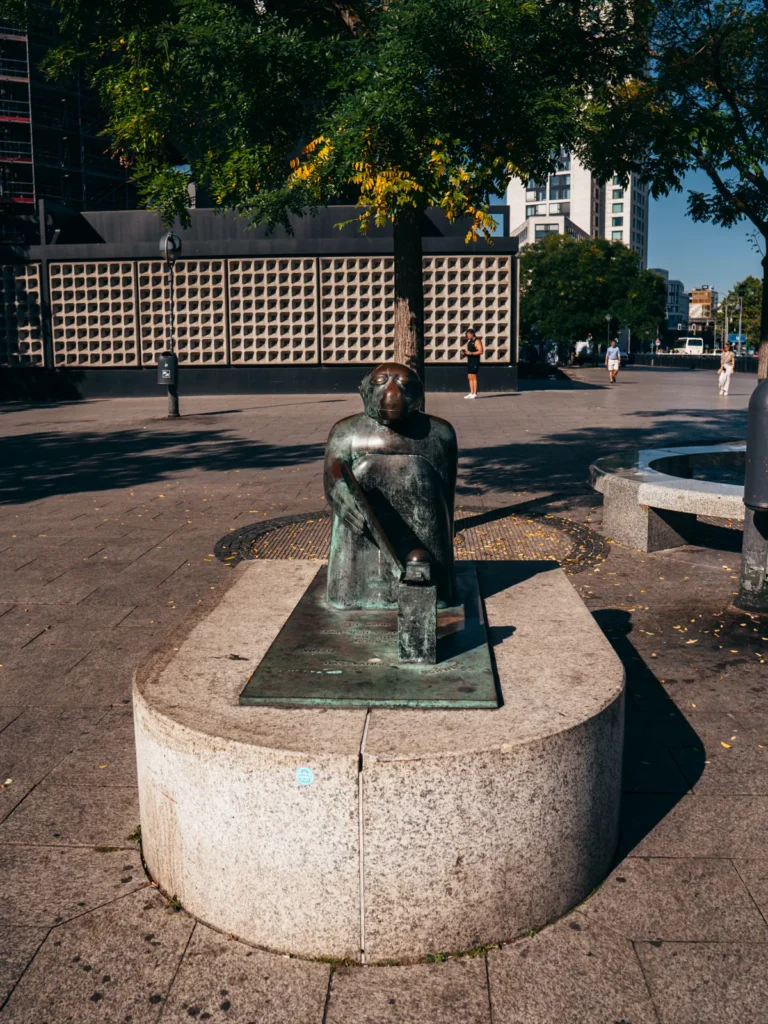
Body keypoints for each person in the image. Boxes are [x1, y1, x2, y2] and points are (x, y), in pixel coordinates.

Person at [462, 328, 483, 398]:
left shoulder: (477, 341)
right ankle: (471, 392)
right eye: (467, 335)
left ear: (472, 334)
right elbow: (468, 350)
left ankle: (475, 393)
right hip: (470, 361)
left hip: (475, 361)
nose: (467, 336)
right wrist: (465, 352)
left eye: (468, 335)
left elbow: (480, 351)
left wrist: (471, 353)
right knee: (469, 377)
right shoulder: (469, 341)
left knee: (474, 377)